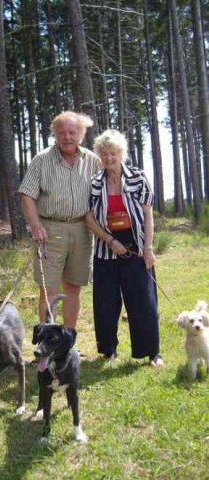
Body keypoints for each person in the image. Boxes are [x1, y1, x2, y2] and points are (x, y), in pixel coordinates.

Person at [85, 129, 163, 366]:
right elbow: (88, 218)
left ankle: (152, 353)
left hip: (136, 245)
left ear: (122, 153)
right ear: (99, 155)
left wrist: (148, 248)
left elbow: (148, 215)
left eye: (113, 153)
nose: (109, 158)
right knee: (105, 301)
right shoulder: (95, 182)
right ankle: (108, 350)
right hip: (105, 245)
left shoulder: (138, 177)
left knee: (143, 299)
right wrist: (109, 240)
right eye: (104, 154)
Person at [18, 111, 99, 328]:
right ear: (55, 134)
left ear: (81, 134)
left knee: (73, 287)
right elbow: (26, 194)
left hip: (83, 229)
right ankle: (48, 344)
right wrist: (35, 224)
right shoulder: (42, 160)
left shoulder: (92, 160)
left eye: (72, 132)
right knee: (48, 287)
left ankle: (68, 340)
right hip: (50, 230)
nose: (67, 137)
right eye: (61, 132)